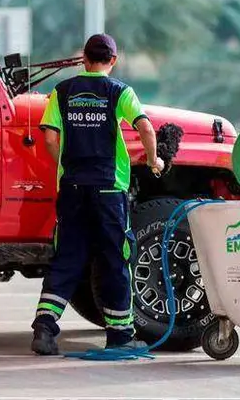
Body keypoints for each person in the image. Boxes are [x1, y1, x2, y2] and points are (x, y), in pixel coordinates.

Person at [31, 33, 164, 355]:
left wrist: (64, 164)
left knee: (68, 257)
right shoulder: (119, 91)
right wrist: (154, 159)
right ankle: (119, 335)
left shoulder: (61, 92)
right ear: (113, 61)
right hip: (108, 189)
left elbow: (49, 138)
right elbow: (145, 127)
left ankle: (45, 329)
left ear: (84, 58)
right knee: (114, 259)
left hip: (73, 187)